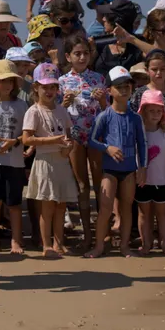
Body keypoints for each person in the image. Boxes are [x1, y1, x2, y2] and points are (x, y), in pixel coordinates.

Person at [85, 66, 146, 259]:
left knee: (127, 208)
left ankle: (125, 247)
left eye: (127, 85)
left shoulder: (136, 117)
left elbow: (142, 144)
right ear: (109, 90)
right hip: (109, 170)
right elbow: (91, 140)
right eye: (119, 86)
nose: (124, 89)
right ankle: (99, 246)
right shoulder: (104, 116)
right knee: (105, 208)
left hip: (129, 169)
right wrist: (107, 148)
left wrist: (142, 167)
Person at [23, 62, 78, 258]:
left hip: (61, 162)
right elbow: (26, 139)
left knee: (61, 206)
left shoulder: (62, 111)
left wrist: (68, 146)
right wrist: (53, 140)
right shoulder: (34, 111)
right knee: (47, 207)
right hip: (44, 162)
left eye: (53, 86)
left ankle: (59, 243)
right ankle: (46, 245)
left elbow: (69, 135)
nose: (49, 90)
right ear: (36, 87)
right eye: (45, 86)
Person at [59, 36, 107, 236]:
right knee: (81, 184)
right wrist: (65, 103)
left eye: (85, 53)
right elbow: (57, 113)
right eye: (77, 53)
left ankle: (102, 232)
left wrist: (103, 100)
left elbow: (107, 110)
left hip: (96, 135)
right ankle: (87, 231)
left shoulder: (99, 78)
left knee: (99, 183)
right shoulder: (61, 81)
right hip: (75, 135)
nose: (82, 57)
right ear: (68, 56)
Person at [0, 60, 29, 255]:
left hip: (15, 161)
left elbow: (26, 134)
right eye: (3, 80)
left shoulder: (22, 105)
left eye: (11, 80)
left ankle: (16, 242)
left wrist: (14, 141)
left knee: (14, 203)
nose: (8, 84)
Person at [135, 89, 165, 256]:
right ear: (143, 111)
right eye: (151, 110)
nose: (155, 114)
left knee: (162, 215)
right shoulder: (139, 132)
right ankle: (146, 244)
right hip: (142, 180)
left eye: (159, 111)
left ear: (163, 112)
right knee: (144, 214)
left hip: (162, 180)